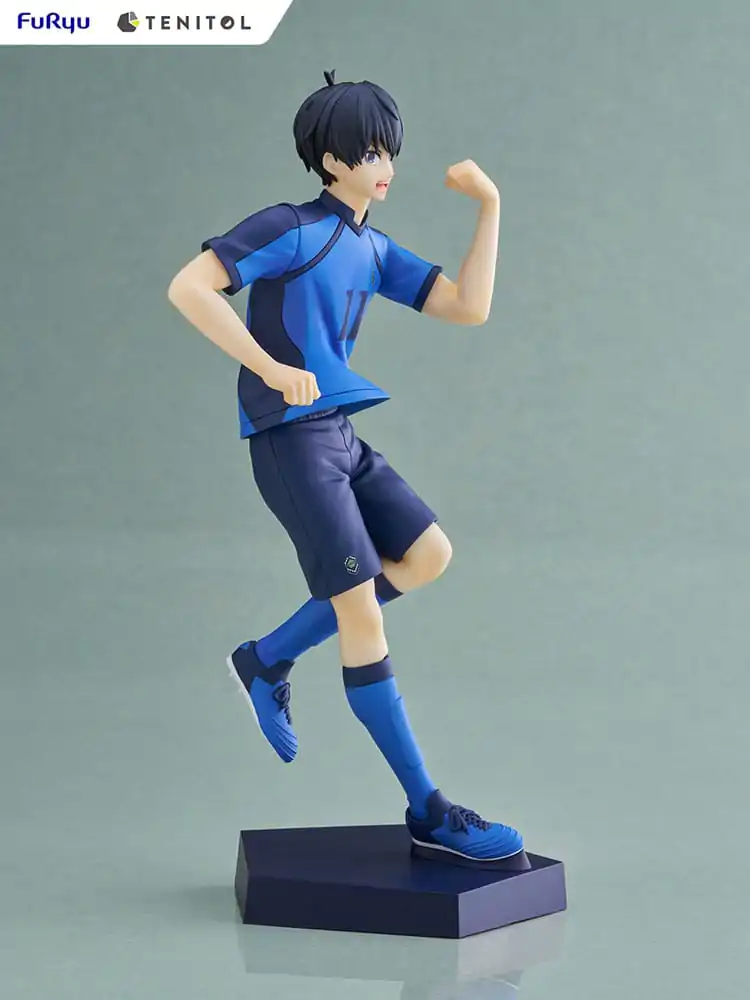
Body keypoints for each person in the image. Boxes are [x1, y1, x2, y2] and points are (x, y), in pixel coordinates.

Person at [167, 70, 525, 868]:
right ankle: (430, 811)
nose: (383, 165)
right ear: (329, 160)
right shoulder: (290, 228)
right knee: (362, 613)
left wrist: (490, 206)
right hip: (290, 441)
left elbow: (468, 306)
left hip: (338, 433)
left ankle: (266, 656)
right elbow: (189, 287)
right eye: (368, 151)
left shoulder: (372, 246)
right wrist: (267, 366)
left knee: (428, 554)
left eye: (388, 150)